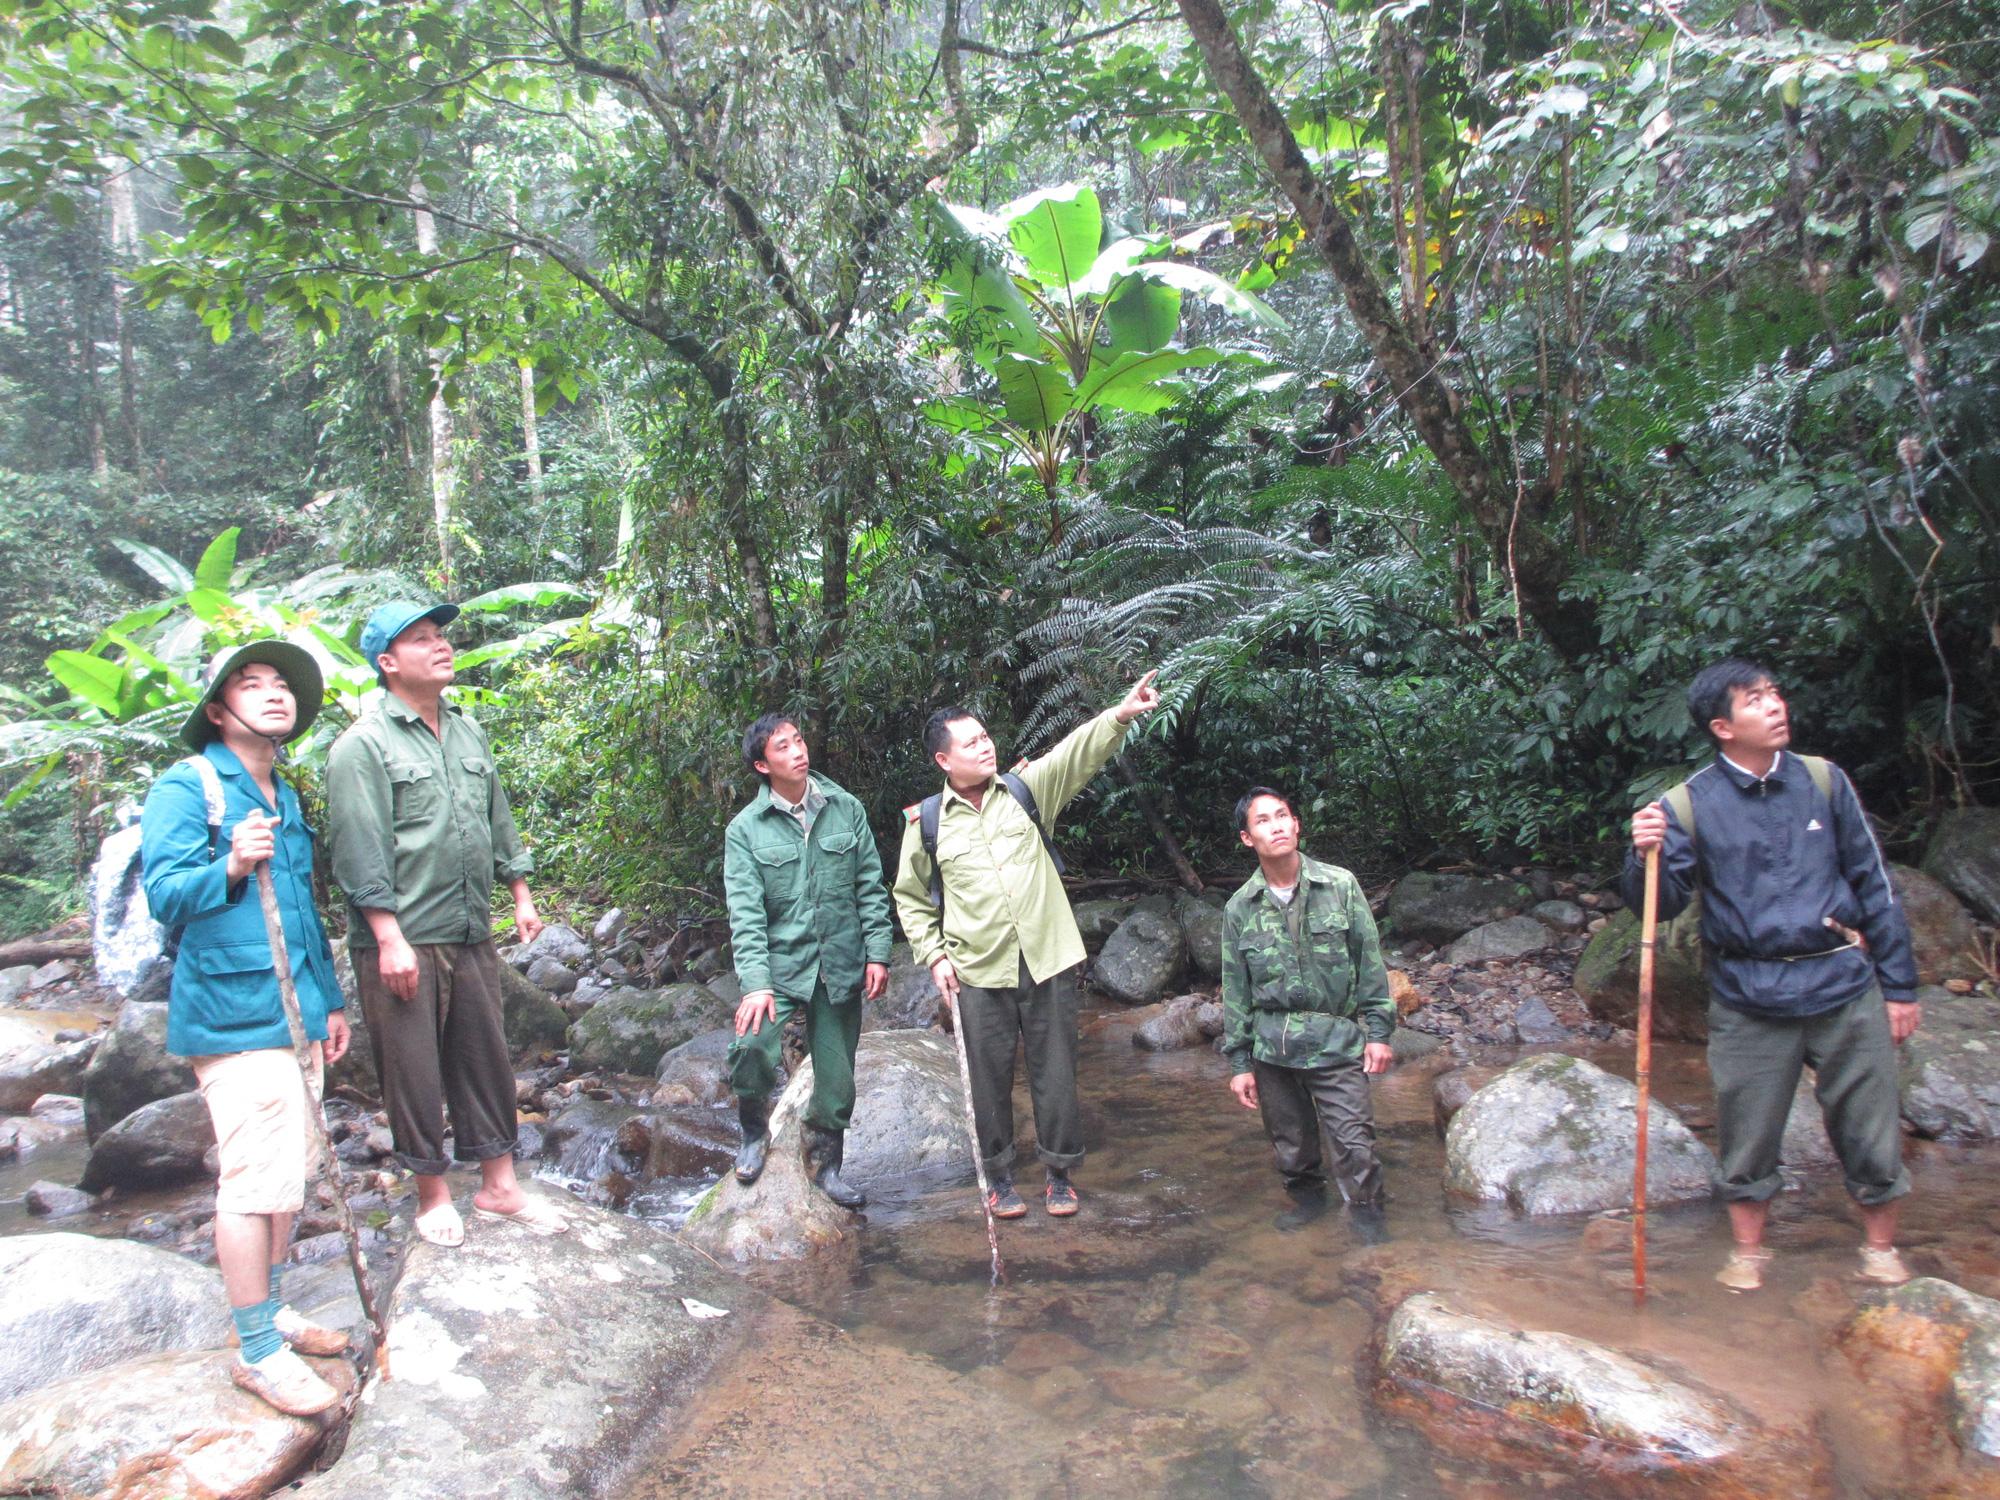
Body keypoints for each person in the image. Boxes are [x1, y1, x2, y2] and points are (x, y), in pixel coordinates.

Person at [1625, 658, 1920, 1293]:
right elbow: (1661, 901)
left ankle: (1880, 1248)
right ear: (1722, 727)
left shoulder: (1823, 781)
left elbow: (1874, 883)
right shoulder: (1687, 805)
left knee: (1870, 1126)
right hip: (1748, 994)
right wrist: (1642, 850)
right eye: (1756, 701)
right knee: (1747, 1130)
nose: (1776, 706)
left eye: (1774, 695)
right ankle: (1751, 1254)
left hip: (1841, 982)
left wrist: (1899, 987)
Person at [140, 641, 353, 1417]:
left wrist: (330, 1001)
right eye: (251, 684)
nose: (273, 694)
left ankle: (275, 1310)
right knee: (251, 1180)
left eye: (282, 686)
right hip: (235, 1017)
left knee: (289, 1177)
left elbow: (302, 910)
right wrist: (227, 865)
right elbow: (165, 897)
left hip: (295, 1010)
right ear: (218, 708)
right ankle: (256, 1350)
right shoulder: (186, 785)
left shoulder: (283, 792)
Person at [326, 601, 567, 1248]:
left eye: (442, 636)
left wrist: (519, 889)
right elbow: (359, 847)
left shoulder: (467, 731)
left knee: (485, 1056)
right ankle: (432, 1194)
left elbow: (496, 812)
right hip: (405, 935)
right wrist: (387, 938)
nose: (442, 646)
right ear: (387, 663)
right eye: (422, 639)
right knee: (414, 1067)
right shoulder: (362, 746)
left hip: (468, 926)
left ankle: (499, 1186)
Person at [891, 672, 1161, 1219]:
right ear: (944, 760)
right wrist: (936, 956)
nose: (985, 746)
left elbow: (1073, 755)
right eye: (970, 743)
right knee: (988, 1081)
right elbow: (911, 898)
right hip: (977, 970)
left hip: (1048, 958)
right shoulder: (926, 823)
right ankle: (1000, 1178)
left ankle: (1060, 1174)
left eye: (985, 737)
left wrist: (1121, 715)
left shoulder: (1024, 790)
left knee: (1055, 1071)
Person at [723, 713, 894, 1208]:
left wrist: (878, 952)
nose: (798, 750)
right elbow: (746, 913)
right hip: (778, 964)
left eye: (799, 740)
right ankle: (754, 1133)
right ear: (762, 764)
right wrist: (755, 984)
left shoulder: (846, 808)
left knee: (837, 1078)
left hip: (839, 960)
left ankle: (826, 1166)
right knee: (753, 1046)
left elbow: (869, 886)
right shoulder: (746, 830)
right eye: (783, 747)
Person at [1220, 787, 1395, 1232]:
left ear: (1297, 825)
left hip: (1335, 1043)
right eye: (1263, 820)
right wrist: (1240, 1063)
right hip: (1273, 1053)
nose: (1276, 825)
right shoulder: (1240, 907)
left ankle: (1370, 1229)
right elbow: (1235, 989)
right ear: (1247, 838)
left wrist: (1379, 1032)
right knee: (1292, 1150)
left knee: (1356, 1147)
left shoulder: (1339, 886)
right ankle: (1309, 1210)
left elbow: (1368, 960)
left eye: (1282, 816)